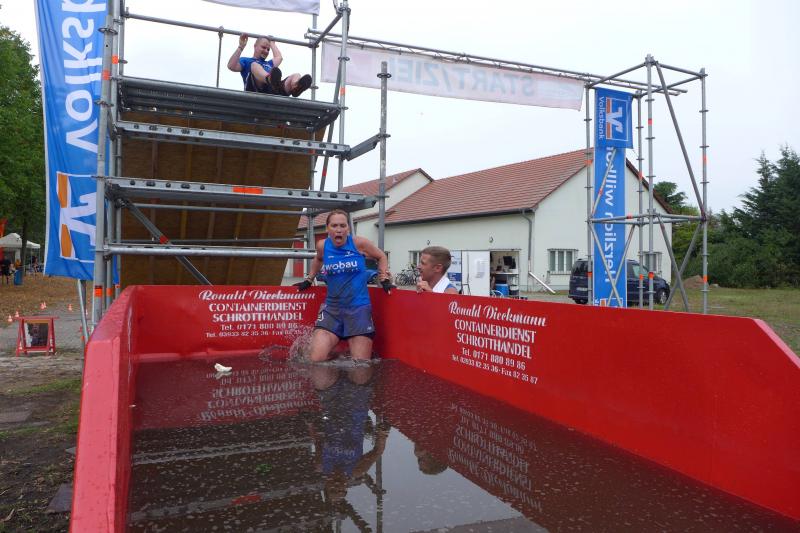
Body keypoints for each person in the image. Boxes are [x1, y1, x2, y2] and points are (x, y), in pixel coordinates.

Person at [295, 209, 394, 362]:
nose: (339, 230)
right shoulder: (323, 246)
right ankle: (336, 357)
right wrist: (309, 279)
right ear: (327, 228)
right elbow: (318, 259)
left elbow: (381, 256)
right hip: (332, 310)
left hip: (358, 309)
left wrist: (384, 278)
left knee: (360, 365)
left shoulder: (359, 243)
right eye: (334, 226)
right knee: (315, 359)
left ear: (348, 228)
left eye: (343, 225)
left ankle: (342, 359)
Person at [227, 33, 312, 97]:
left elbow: (279, 57)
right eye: (263, 47)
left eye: (268, 49)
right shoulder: (247, 61)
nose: (266, 51)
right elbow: (231, 66)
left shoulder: (268, 64)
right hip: (256, 91)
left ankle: (296, 87)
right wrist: (241, 46)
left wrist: (272, 43)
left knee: (296, 75)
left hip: (273, 90)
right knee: (254, 65)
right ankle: (269, 79)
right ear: (255, 46)